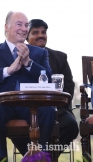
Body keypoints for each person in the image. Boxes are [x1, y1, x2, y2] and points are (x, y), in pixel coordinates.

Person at [0, 11, 56, 161]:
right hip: (1, 103)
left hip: (30, 103)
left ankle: (39, 157)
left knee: (47, 109)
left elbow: (49, 78)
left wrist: (28, 63)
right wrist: (8, 71)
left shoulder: (39, 53)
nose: (24, 29)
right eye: (19, 24)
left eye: (26, 25)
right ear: (7, 27)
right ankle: (1, 158)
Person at [26, 19, 79, 154]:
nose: (41, 35)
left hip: (57, 109)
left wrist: (56, 101)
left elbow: (68, 86)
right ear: (27, 37)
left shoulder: (60, 57)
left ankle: (46, 156)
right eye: (35, 32)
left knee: (71, 125)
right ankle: (34, 155)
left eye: (43, 32)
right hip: (27, 109)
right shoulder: (19, 55)